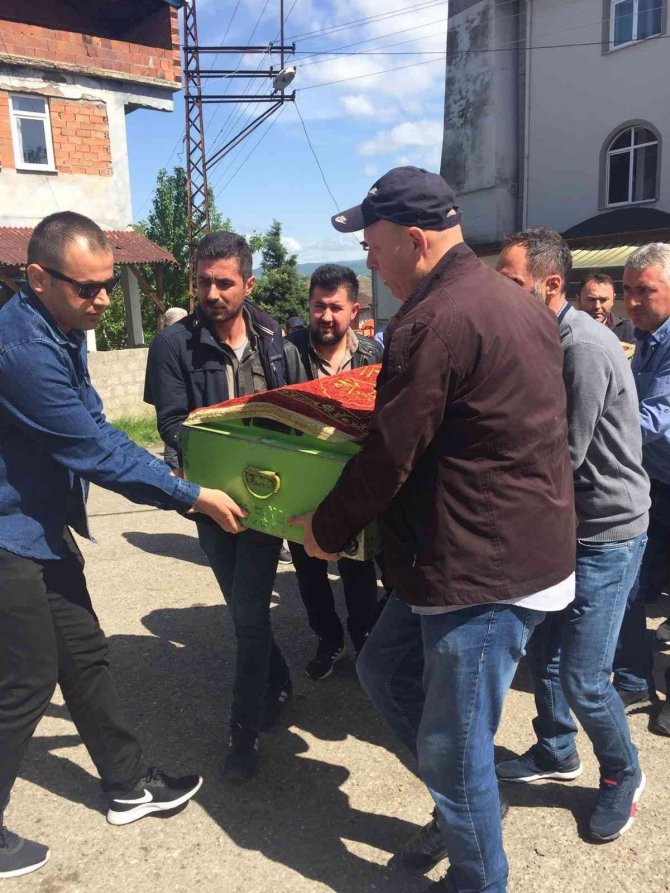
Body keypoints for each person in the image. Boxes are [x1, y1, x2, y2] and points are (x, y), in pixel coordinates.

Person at [292, 166, 575, 893]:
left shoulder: (434, 319)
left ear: (416, 241)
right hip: (476, 549)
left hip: (481, 566)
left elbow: (391, 452)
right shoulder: (506, 302)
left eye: (376, 246)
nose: (370, 262)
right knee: (384, 670)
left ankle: (479, 873)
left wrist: (323, 529)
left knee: (450, 749)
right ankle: (471, 800)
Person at [0, 212, 246, 879]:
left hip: (39, 527)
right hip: (6, 535)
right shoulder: (19, 350)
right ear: (38, 278)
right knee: (24, 678)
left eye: (110, 285)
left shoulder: (62, 327)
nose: (104, 300)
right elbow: (92, 450)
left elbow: (96, 425)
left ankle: (127, 783)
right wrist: (190, 494)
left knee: (83, 656)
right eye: (89, 288)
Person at [495, 227, 650, 841]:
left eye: (510, 284)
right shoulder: (542, 336)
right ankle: (558, 751)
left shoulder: (580, 346)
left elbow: (565, 452)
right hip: (565, 522)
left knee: (586, 676)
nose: (499, 296)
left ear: (549, 283)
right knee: (546, 652)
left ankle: (623, 772)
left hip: (606, 532)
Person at [145, 231, 305, 781]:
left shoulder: (271, 335)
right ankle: (280, 681)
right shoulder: (173, 345)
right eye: (203, 282)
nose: (211, 293)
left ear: (248, 284)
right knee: (245, 612)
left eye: (224, 282)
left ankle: (243, 731)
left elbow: (289, 406)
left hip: (265, 498)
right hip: (209, 503)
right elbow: (169, 422)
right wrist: (214, 449)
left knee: (251, 610)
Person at [286, 264, 382, 679]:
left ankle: (365, 640)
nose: (326, 316)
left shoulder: (372, 355)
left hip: (355, 484)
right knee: (309, 573)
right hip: (300, 481)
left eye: (336, 308)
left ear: (355, 311)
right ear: (308, 306)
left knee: (358, 570)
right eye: (318, 307)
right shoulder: (286, 353)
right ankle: (328, 639)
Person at [613, 243, 670, 736]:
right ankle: (633, 679)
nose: (631, 301)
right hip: (649, 480)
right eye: (626, 291)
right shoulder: (635, 337)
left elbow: (652, 417)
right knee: (631, 585)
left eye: (644, 291)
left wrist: (588, 412)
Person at [159, 307, 189, 469]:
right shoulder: (165, 344)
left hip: (186, 406)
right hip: (175, 407)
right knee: (173, 448)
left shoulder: (185, 343)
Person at [576, 271, 635, 342]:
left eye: (603, 300)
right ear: (578, 299)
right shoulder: (566, 330)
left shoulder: (627, 329)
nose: (597, 306)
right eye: (591, 299)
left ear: (613, 300)